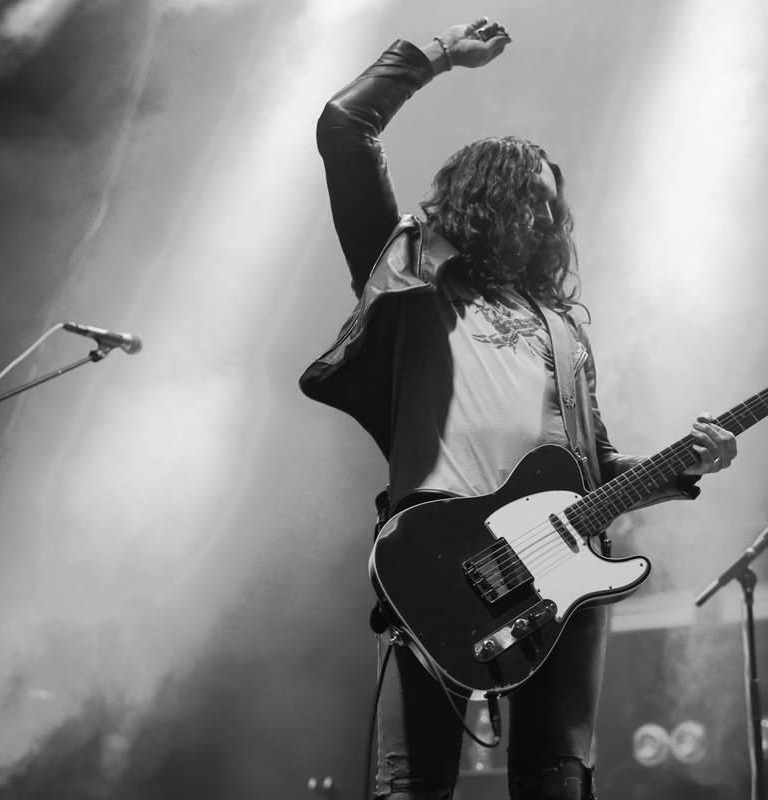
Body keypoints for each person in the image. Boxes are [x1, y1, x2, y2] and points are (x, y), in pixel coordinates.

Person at [299, 18, 738, 800]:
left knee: (558, 780)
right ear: (483, 196)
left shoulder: (562, 327)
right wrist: (438, 54)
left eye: (551, 206)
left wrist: (682, 466)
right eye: (528, 197)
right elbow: (344, 126)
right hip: (440, 556)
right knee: (411, 783)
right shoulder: (414, 282)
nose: (542, 217)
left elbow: (595, 467)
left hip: (562, 569)